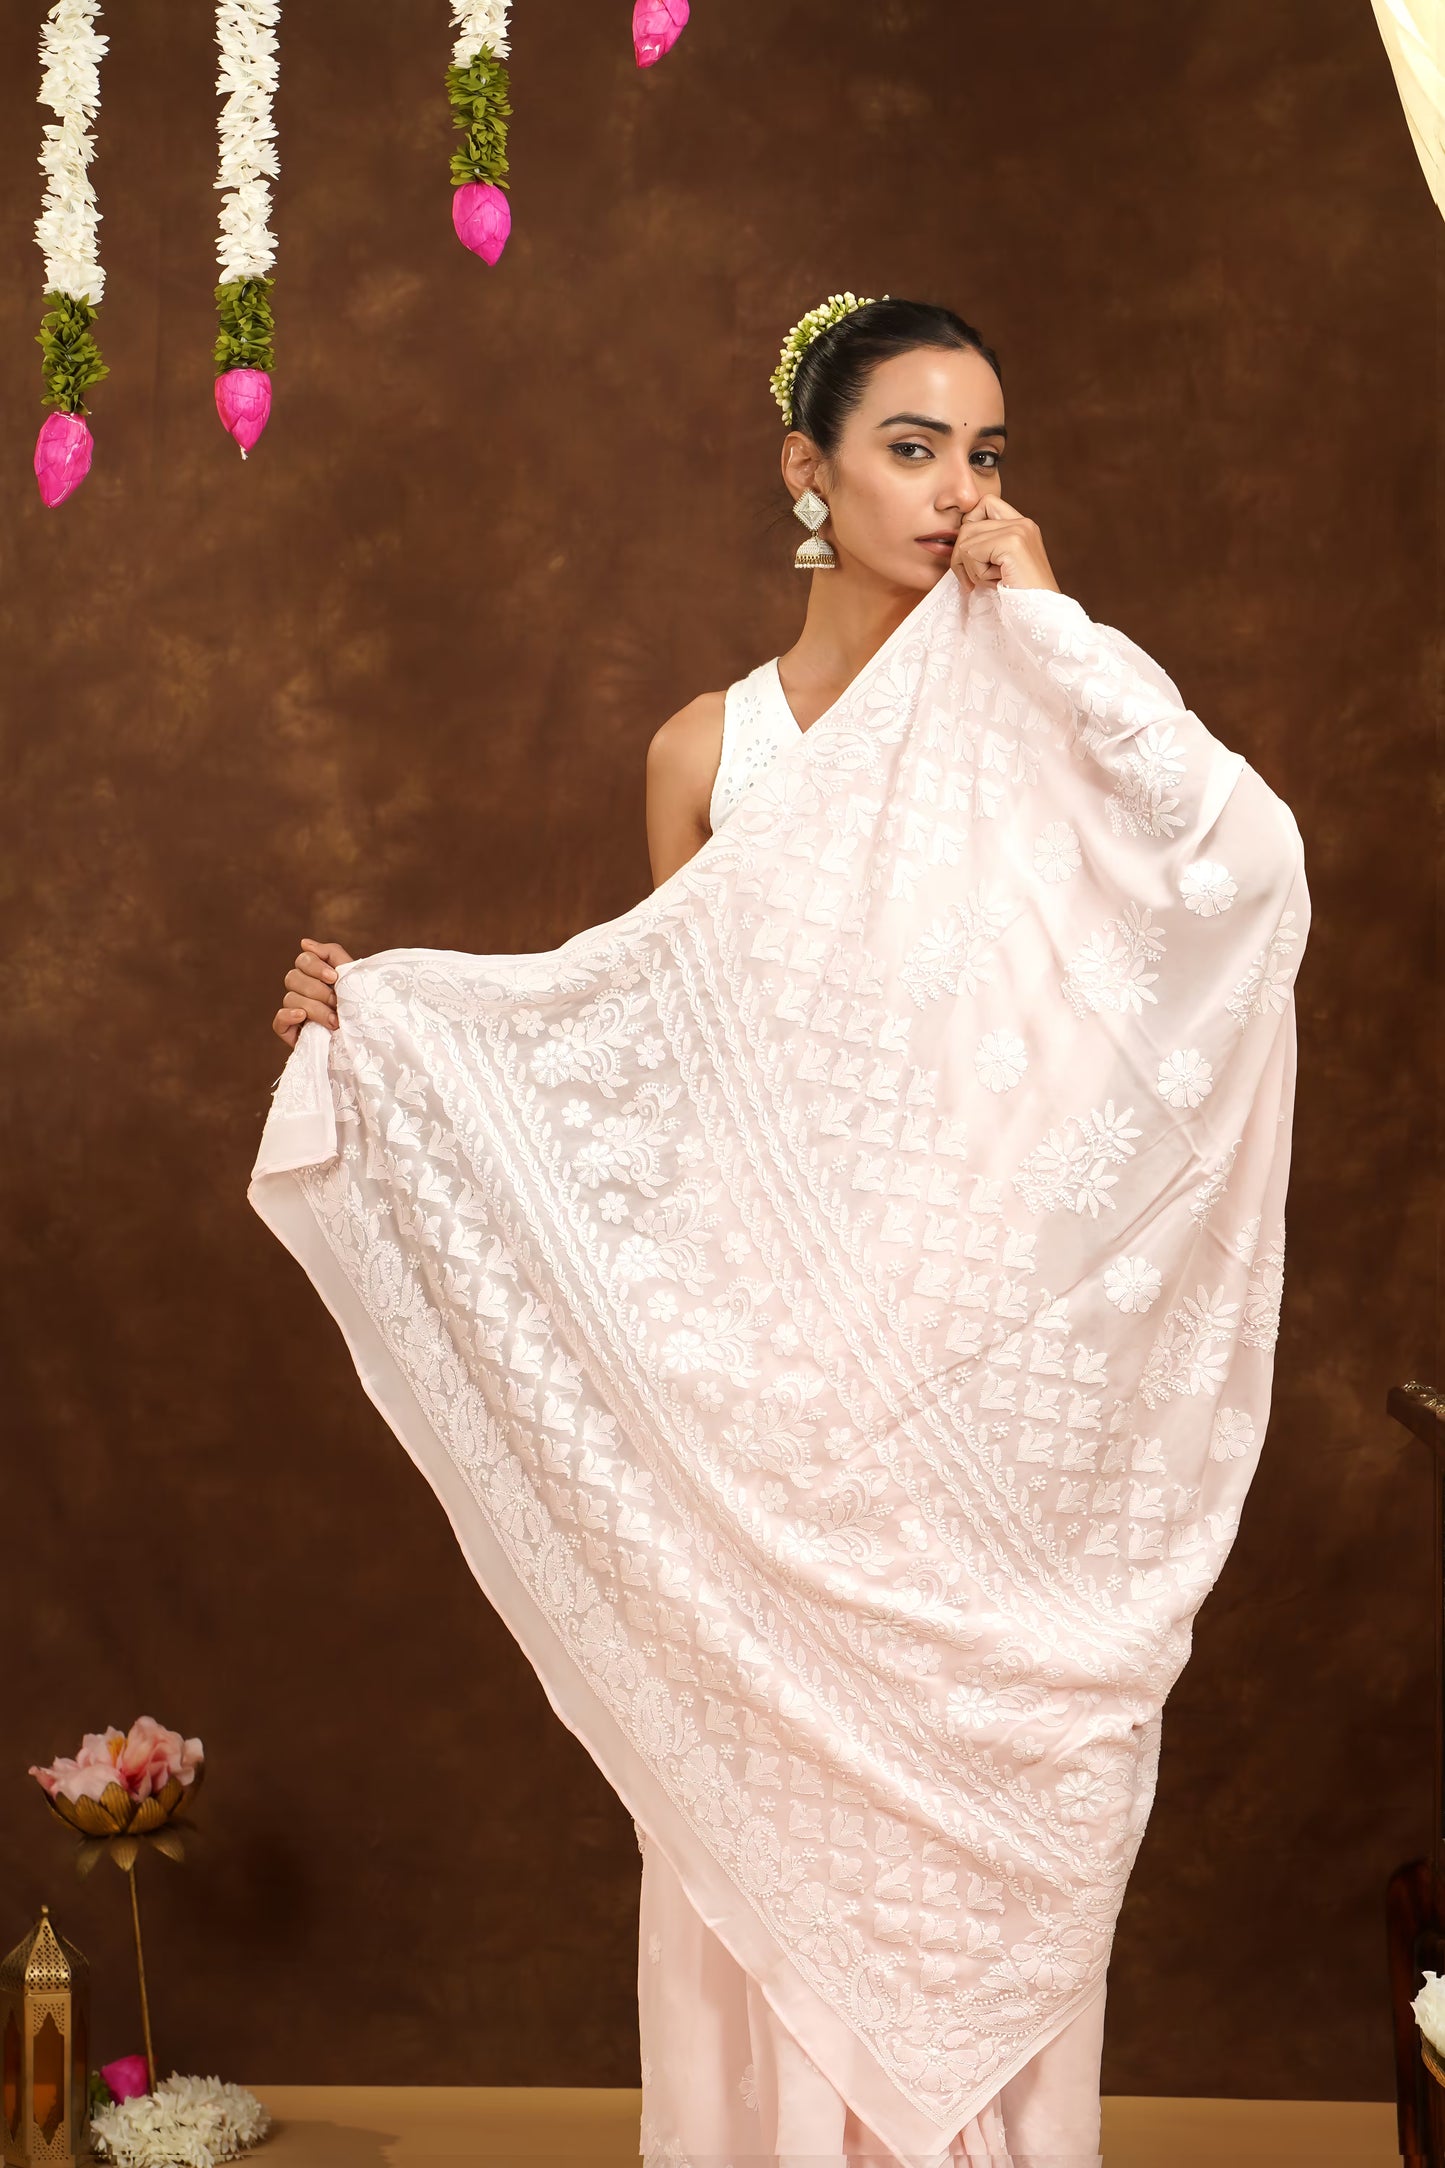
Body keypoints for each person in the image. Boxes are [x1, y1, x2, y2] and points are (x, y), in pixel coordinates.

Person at [255, 296, 1306, 2167]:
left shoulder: (1043, 719)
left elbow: (1244, 873)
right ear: (807, 471)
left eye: (985, 453)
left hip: (989, 1418)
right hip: (782, 1428)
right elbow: (651, 1064)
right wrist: (398, 1036)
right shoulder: (708, 754)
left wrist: (1055, 635)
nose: (956, 492)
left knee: (995, 1858)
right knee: (765, 1866)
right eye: (911, 447)